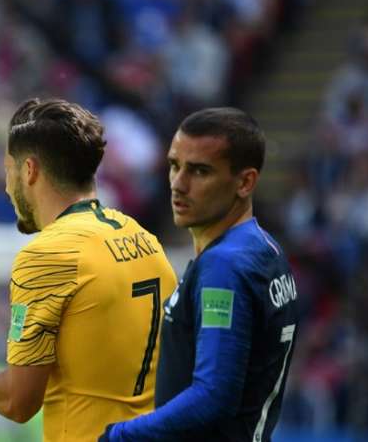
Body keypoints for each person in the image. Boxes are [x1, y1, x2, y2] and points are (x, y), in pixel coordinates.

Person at [0, 98, 178, 441]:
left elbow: (16, 402)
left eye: (9, 172)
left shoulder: (47, 255)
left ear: (29, 171)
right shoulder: (143, 239)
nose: (7, 188)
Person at [100, 107, 300, 441]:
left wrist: (118, 435)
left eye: (200, 171)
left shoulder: (225, 266)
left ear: (245, 182)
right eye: (174, 166)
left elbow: (212, 397)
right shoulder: (266, 249)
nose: (178, 184)